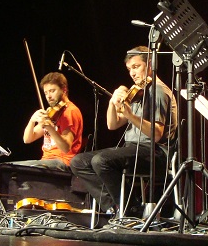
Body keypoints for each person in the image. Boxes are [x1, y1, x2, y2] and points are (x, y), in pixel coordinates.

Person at [70, 46, 177, 216]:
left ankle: (130, 209)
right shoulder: (139, 92)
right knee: (79, 162)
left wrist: (130, 115)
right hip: (133, 149)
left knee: (101, 161)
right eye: (129, 69)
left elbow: (156, 134)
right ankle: (115, 206)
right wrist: (112, 103)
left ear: (150, 64)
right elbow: (112, 124)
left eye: (136, 67)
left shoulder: (158, 91)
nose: (132, 73)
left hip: (155, 153)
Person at [15, 72, 83, 170]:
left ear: (64, 89)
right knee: (10, 167)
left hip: (63, 162)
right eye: (46, 93)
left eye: (52, 91)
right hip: (47, 161)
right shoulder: (52, 112)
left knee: (19, 169)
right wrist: (32, 120)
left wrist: (50, 128)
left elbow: (66, 148)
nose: (48, 96)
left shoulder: (70, 111)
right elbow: (27, 139)